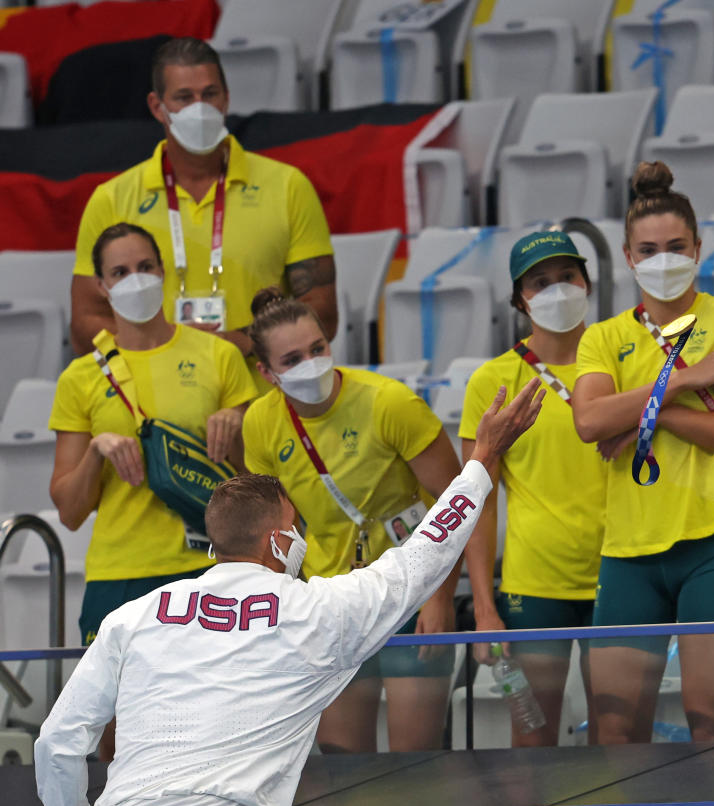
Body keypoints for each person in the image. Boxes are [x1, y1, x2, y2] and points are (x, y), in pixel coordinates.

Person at [35, 380, 543, 806]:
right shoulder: (314, 611)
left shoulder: (135, 616)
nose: (300, 538)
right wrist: (482, 460)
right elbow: (422, 558)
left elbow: (57, 743)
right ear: (277, 542)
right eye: (295, 525)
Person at [573, 161, 714, 744]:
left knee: (712, 726)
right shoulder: (603, 337)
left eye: (676, 247)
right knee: (613, 733)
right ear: (629, 257)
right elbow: (589, 422)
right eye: (649, 249)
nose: (664, 260)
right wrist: (682, 384)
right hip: (629, 550)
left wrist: (646, 413)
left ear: (698, 249)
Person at [48, 222, 255, 761]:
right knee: (118, 745)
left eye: (145, 267)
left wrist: (235, 427)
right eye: (120, 272)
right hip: (120, 573)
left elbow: (259, 486)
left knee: (214, 736)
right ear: (100, 285)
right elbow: (69, 510)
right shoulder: (81, 378)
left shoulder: (218, 358)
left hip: (207, 567)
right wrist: (96, 451)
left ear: (164, 272)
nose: (135, 281)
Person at [241, 290, 468, 753]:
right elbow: (267, 532)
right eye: (292, 359)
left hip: (410, 593)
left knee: (415, 762)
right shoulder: (261, 423)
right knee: (345, 770)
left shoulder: (390, 403)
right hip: (332, 606)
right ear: (266, 373)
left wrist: (440, 598)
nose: (312, 364)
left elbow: (457, 503)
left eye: (318, 349)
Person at [69, 37, 337, 374]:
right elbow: (84, 325)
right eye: (184, 97)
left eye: (209, 94)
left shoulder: (288, 187)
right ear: (157, 107)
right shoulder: (112, 199)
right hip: (154, 405)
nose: (200, 108)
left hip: (261, 401)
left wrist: (245, 341)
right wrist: (161, 346)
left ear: (226, 99)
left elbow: (323, 311)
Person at [460, 231, 607, 747]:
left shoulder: (619, 359)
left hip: (620, 575)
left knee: (618, 741)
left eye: (568, 276)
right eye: (540, 282)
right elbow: (477, 503)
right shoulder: (492, 381)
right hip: (534, 586)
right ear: (519, 299)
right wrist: (483, 606)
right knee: (532, 740)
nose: (558, 290)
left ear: (587, 281)